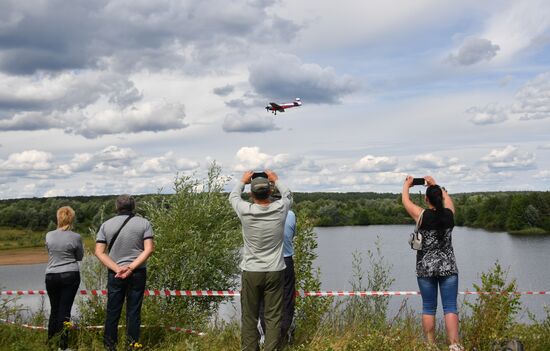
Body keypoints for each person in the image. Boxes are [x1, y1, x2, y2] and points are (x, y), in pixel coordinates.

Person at [229, 170, 292, 351]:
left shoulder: (245, 210)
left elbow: (233, 196)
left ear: (251, 193)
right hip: (275, 270)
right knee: (273, 317)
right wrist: (275, 179)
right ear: (270, 192)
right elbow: (288, 194)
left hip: (251, 271)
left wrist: (242, 180)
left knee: (249, 316)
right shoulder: (280, 209)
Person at [402, 176, 463, 351]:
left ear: (426, 199)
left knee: (428, 307)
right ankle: (454, 345)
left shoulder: (421, 216)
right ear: (440, 197)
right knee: (450, 306)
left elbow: (405, 200)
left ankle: (430, 346)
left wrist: (407, 185)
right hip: (448, 267)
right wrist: (434, 184)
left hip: (425, 268)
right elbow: (447, 200)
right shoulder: (449, 214)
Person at [95, 195, 154, 351]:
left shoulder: (105, 225)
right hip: (137, 273)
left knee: (112, 310)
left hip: (115, 274)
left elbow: (99, 252)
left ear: (117, 207)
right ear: (133, 206)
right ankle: (132, 345)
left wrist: (117, 268)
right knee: (134, 310)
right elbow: (149, 249)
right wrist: (131, 268)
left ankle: (110, 346)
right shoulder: (144, 223)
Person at [259, 188, 297, 346]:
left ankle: (266, 336)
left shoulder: (259, 214)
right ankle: (283, 335)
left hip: (265, 262)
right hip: (286, 261)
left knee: (264, 301)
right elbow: (292, 234)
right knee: (286, 300)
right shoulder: (291, 214)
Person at [45, 206, 84, 350]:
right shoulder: (76, 236)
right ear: (71, 218)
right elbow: (79, 257)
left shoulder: (49, 235)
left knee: (54, 310)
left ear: (58, 218)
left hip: (51, 275)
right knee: (64, 310)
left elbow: (50, 252)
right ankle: (63, 346)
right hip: (70, 274)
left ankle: (50, 344)